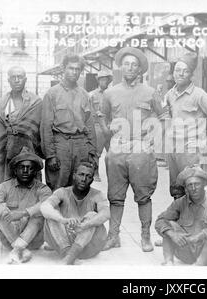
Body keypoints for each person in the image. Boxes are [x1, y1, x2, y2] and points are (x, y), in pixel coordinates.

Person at [99, 47, 165, 252]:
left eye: (134, 65)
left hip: (141, 151)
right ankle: (113, 236)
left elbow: (163, 118)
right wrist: (111, 142)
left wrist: (151, 142)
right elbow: (103, 118)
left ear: (140, 70)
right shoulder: (110, 92)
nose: (130, 68)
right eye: (126, 64)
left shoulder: (150, 92)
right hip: (117, 150)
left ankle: (145, 236)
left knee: (143, 195)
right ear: (121, 67)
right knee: (115, 196)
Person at [165, 52, 207, 200]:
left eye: (185, 71)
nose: (180, 74)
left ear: (191, 75)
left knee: (193, 191)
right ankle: (180, 222)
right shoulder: (169, 95)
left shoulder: (199, 95)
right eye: (177, 70)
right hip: (173, 151)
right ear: (173, 73)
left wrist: (205, 142)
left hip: (191, 152)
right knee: (176, 191)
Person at [155, 165, 207, 266]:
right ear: (186, 188)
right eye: (189, 185)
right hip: (187, 251)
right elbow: (160, 220)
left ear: (204, 184)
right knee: (167, 225)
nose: (193, 188)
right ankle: (168, 262)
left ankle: (199, 265)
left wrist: (201, 235)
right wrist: (173, 234)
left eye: (197, 184)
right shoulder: (180, 203)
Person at [0, 147, 52, 264]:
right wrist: (7, 213)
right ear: (15, 170)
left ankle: (18, 250)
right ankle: (20, 248)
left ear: (35, 172)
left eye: (30, 168)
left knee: (40, 212)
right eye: (22, 167)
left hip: (34, 240)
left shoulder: (42, 188)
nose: (25, 171)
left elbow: (48, 204)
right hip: (8, 238)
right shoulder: (5, 186)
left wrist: (23, 213)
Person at [41, 54, 98, 191]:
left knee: (79, 187)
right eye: (70, 68)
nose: (74, 72)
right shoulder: (52, 94)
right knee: (57, 187)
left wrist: (92, 153)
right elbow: (45, 127)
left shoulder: (85, 95)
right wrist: (50, 155)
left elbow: (90, 127)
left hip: (81, 145)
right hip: (61, 144)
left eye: (77, 69)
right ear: (63, 69)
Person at [0, 66, 43, 191]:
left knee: (30, 188)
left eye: (20, 77)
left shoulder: (36, 103)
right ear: (8, 80)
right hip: (5, 154)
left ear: (25, 79)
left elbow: (40, 130)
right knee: (5, 187)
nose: (17, 80)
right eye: (13, 77)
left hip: (29, 152)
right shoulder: (0, 106)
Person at [40, 160, 110, 265]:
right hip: (65, 242)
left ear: (92, 179)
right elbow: (45, 206)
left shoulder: (97, 195)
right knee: (51, 216)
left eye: (88, 176)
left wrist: (85, 225)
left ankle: (69, 258)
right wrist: (63, 220)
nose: (84, 179)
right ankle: (69, 255)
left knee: (92, 215)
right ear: (74, 175)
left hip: (87, 245)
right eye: (81, 174)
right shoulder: (62, 192)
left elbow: (106, 213)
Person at [88, 70, 113, 181]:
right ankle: (96, 173)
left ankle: (112, 175)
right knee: (96, 153)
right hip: (97, 126)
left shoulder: (112, 94)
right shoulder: (92, 95)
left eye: (106, 80)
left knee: (112, 152)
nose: (105, 82)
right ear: (98, 81)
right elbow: (89, 111)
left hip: (110, 126)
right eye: (102, 79)